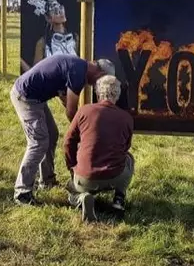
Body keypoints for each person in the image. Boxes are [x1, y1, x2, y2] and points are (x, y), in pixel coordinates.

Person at [11, 54, 116, 205]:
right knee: (38, 142)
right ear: (100, 73)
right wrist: (82, 133)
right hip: (25, 96)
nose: (99, 85)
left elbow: (65, 99)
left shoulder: (78, 67)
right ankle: (22, 193)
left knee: (52, 135)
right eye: (102, 81)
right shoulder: (78, 74)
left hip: (36, 97)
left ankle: (47, 181)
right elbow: (71, 111)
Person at [64, 75, 134, 222]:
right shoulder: (127, 118)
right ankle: (118, 200)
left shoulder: (84, 111)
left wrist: (72, 166)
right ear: (118, 95)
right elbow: (126, 147)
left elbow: (68, 141)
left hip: (85, 178)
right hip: (116, 177)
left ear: (97, 93)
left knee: (70, 189)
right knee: (129, 158)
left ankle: (81, 198)